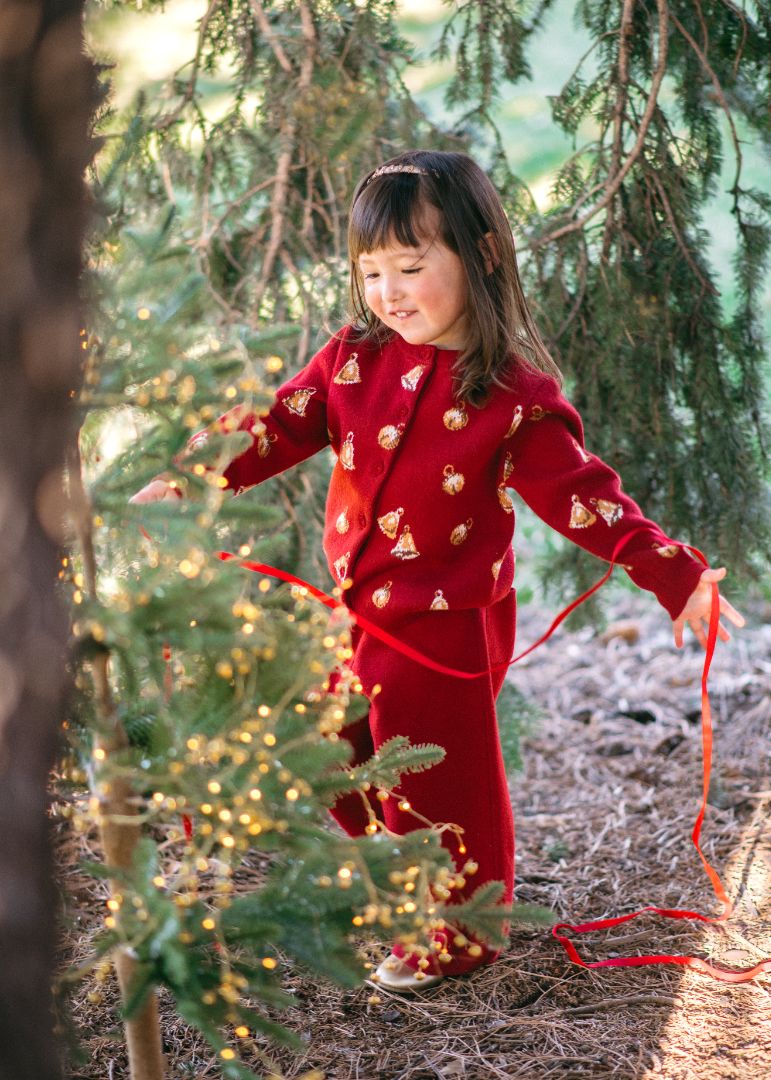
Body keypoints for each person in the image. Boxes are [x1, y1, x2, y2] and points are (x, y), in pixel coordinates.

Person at [131, 149, 745, 994]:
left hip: (443, 622)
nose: (388, 290)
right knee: (328, 746)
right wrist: (194, 471)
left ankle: (459, 931)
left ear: (481, 255)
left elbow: (582, 497)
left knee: (432, 774)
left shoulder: (511, 398)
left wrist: (674, 574)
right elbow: (276, 424)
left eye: (412, 267)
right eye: (371, 270)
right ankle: (395, 882)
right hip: (353, 612)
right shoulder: (353, 357)